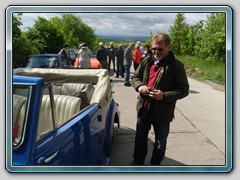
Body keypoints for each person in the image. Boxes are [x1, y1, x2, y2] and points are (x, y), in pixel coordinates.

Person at [131, 32, 189, 165]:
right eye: (154, 48)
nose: (156, 51)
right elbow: (135, 77)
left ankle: (155, 167)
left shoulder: (177, 66)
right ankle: (138, 163)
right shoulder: (146, 60)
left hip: (162, 113)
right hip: (144, 108)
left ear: (169, 47)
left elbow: (183, 90)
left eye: (160, 49)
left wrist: (164, 96)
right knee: (140, 139)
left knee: (160, 143)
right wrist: (140, 87)